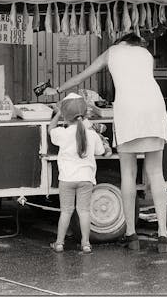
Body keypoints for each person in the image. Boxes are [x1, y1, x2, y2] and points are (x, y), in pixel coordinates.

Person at [44, 33, 167, 253]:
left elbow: (82, 76)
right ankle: (163, 235)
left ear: (119, 42)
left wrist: (57, 89)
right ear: (136, 43)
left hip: (128, 110)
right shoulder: (145, 53)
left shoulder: (112, 52)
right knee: (156, 173)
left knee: (128, 174)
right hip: (155, 108)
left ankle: (131, 235)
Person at [49, 93, 111, 254]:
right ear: (85, 114)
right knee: (84, 211)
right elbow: (101, 151)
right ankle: (85, 244)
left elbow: (51, 130)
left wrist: (57, 113)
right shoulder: (91, 134)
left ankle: (59, 243)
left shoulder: (62, 134)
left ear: (65, 115)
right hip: (86, 179)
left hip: (67, 179)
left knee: (66, 211)